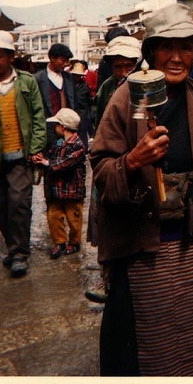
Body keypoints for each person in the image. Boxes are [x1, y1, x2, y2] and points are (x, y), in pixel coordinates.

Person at [89, 3, 193, 376]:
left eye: (186, 47)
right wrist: (132, 160)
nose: (177, 57)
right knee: (155, 349)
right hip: (148, 251)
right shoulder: (125, 98)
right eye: (167, 46)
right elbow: (101, 172)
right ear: (151, 51)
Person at [85, 35, 142, 304]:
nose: (122, 72)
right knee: (105, 221)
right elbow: (99, 127)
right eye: (118, 66)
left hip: (135, 162)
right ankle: (108, 280)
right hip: (110, 164)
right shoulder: (108, 87)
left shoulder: (145, 87)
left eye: (128, 66)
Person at [0, 30, 47, 278]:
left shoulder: (26, 82)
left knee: (19, 205)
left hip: (20, 157)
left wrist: (35, 149)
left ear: (11, 57)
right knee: (0, 206)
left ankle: (20, 253)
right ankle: (13, 248)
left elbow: (38, 117)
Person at [31, 108, 87, 259]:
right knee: (53, 215)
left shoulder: (78, 145)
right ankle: (59, 242)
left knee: (73, 217)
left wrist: (48, 163)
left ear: (63, 127)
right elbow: (50, 156)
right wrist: (42, 159)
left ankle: (74, 242)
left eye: (56, 125)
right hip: (57, 190)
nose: (54, 128)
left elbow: (66, 163)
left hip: (72, 190)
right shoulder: (58, 143)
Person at [33, 43, 76, 151]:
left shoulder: (69, 78)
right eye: (63, 60)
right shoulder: (38, 79)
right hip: (47, 132)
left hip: (66, 131)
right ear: (52, 58)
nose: (66, 64)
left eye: (67, 61)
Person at [70, 61, 93, 151]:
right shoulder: (69, 84)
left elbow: (89, 100)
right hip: (72, 111)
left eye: (79, 75)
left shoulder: (84, 85)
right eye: (75, 75)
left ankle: (83, 150)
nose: (77, 77)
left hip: (83, 113)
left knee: (83, 133)